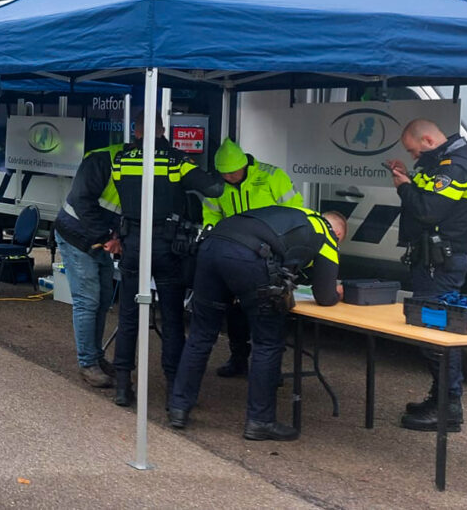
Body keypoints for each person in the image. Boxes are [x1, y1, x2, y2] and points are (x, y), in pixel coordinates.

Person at [168, 207, 346, 441]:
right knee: (268, 342)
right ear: (338, 233)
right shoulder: (326, 235)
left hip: (211, 247)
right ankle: (260, 421)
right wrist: (338, 293)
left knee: (201, 334)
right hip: (249, 257)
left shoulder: (298, 213)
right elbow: (325, 296)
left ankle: (179, 408)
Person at [110, 112, 224, 407]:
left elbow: (121, 192)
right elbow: (214, 189)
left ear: (135, 131)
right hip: (166, 244)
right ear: (162, 129)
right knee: (172, 319)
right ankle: (174, 387)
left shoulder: (121, 160)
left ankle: (123, 386)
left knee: (127, 316)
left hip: (132, 241)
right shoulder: (176, 160)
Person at [387, 118, 467, 432]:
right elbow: (432, 195)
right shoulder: (449, 161)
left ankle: (448, 406)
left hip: (440, 263)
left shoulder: (455, 167)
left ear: (428, 140)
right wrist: (409, 178)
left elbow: (430, 211)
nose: (415, 157)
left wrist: (403, 188)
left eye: (414, 151)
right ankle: (441, 397)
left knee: (435, 333)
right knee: (431, 329)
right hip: (436, 259)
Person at [202, 138, 304, 379]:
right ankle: (238, 359)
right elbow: (210, 215)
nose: (228, 177)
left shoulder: (272, 176)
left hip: (270, 257)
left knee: (270, 313)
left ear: (244, 164)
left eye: (232, 173)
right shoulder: (218, 185)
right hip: (236, 258)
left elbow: (295, 211)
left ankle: (271, 369)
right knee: (236, 313)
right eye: (224, 174)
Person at [53, 142, 122, 389]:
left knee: (103, 299)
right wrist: (107, 238)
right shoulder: (102, 159)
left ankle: (96, 356)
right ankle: (88, 364)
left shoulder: (140, 165)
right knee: (88, 300)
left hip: (96, 237)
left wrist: (116, 238)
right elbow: (83, 201)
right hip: (76, 235)